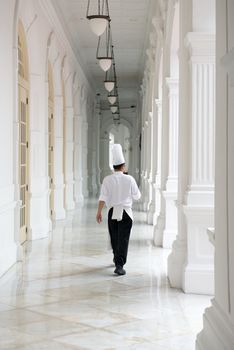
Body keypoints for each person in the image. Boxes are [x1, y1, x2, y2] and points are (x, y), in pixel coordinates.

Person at [96, 144, 141, 276]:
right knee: (124, 239)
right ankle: (119, 264)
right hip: (127, 213)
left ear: (113, 167)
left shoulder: (107, 180)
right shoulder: (130, 179)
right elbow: (137, 196)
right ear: (123, 166)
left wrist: (99, 212)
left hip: (112, 213)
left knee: (115, 238)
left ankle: (117, 260)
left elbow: (102, 198)